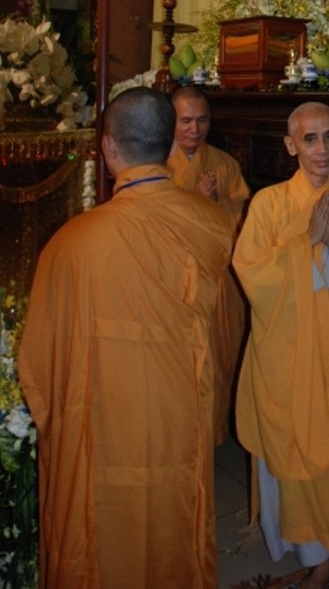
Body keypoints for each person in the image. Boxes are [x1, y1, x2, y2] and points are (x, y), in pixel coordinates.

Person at [19, 87, 232, 589]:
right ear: (169, 144)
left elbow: (39, 366)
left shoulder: (70, 245)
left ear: (108, 147)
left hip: (99, 423)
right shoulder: (211, 221)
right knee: (173, 517)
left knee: (98, 535)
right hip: (176, 415)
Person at [233, 101, 329, 588]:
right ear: (291, 146)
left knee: (328, 446)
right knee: (290, 443)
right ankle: (290, 538)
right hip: (286, 354)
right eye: (310, 138)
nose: (322, 149)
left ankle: (320, 553)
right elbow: (252, 273)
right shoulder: (268, 204)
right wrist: (306, 242)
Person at [168, 84, 251, 445]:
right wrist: (195, 200)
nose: (194, 129)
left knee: (218, 360)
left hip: (218, 279)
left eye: (202, 120)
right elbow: (150, 220)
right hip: (175, 281)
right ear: (170, 121)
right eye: (185, 120)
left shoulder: (224, 164)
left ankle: (214, 434)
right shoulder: (155, 163)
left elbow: (242, 220)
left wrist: (215, 205)